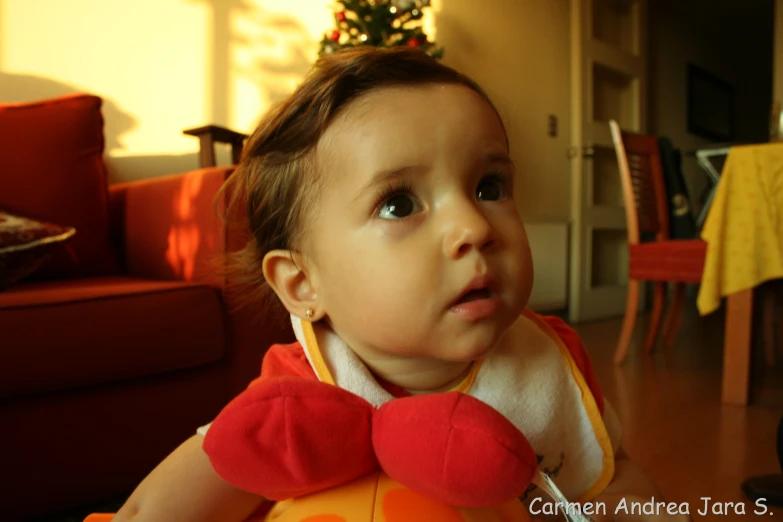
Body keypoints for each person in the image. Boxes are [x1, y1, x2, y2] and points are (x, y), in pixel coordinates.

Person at [114, 46, 688, 522]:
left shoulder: (550, 359)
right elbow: (155, 510)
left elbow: (613, 470)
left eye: (490, 186)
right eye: (398, 203)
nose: (474, 227)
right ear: (302, 283)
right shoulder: (298, 394)